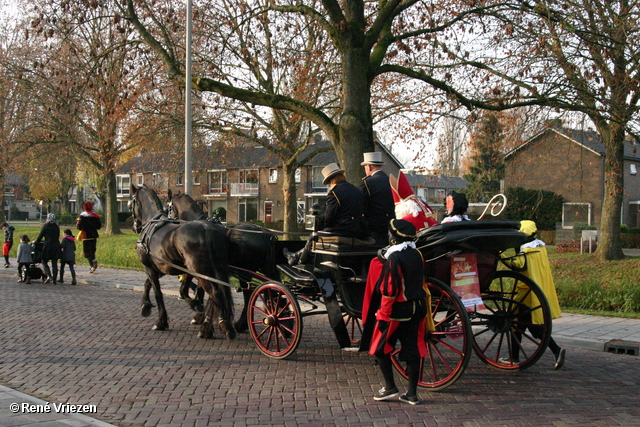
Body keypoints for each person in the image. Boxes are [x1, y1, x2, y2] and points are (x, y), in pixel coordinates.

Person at [359, 219, 427, 405]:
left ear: (395, 237)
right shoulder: (417, 254)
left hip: (398, 310)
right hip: (418, 307)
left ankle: (390, 387)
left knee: (380, 347)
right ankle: (412, 394)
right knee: (412, 349)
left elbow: (390, 289)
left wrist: (383, 313)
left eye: (390, 233)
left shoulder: (394, 258)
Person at [501, 220, 566, 369]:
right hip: (538, 290)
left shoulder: (527, 252)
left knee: (518, 323)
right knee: (520, 325)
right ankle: (515, 356)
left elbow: (517, 265)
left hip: (526, 293)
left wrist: (501, 255)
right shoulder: (540, 248)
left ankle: (556, 350)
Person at [283, 163, 372, 266]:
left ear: (331, 180)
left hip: (343, 231)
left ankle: (299, 260)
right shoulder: (356, 190)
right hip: (359, 230)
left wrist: (318, 223)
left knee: (314, 236)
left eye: (329, 183)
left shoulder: (334, 192)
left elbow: (329, 218)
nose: (329, 185)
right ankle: (296, 256)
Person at [359, 152, 395, 245]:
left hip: (374, 227)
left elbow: (360, 204)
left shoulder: (367, 182)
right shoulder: (392, 181)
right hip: (391, 225)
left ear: (369, 167)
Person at [34, 213, 61, 284]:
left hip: (48, 245)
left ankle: (49, 275)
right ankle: (55, 280)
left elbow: (40, 236)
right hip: (56, 245)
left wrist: (35, 243)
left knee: (44, 260)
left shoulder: (45, 226)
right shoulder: (56, 227)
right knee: (54, 263)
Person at [77, 201, 102, 273]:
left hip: (86, 236)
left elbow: (79, 227)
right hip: (94, 235)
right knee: (92, 251)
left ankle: (92, 265)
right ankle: (94, 260)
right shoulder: (95, 216)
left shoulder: (82, 216)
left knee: (87, 252)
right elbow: (99, 226)